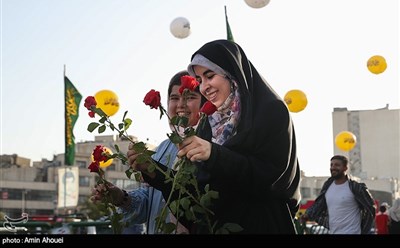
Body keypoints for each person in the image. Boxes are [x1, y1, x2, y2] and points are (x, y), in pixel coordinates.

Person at [132, 39, 301, 234]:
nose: (204, 87)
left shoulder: (270, 111)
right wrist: (154, 172)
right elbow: (197, 200)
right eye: (200, 80)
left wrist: (214, 154)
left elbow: (271, 179)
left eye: (210, 76)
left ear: (232, 72)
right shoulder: (208, 123)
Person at [91, 70, 204, 234]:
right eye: (174, 98)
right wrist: (120, 197)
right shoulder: (163, 148)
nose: (181, 104)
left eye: (190, 97)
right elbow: (149, 206)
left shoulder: (210, 145)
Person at [302, 155, 375, 234]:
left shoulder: (356, 187)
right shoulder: (327, 186)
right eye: (331, 165)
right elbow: (318, 205)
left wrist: (364, 230)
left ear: (345, 168)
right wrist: (307, 215)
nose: (333, 167)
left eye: (337, 165)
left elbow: (370, 208)